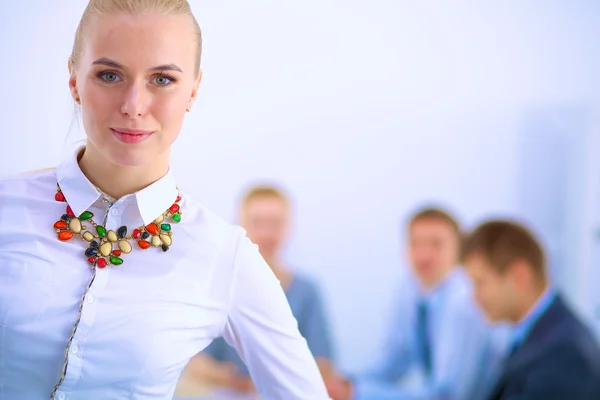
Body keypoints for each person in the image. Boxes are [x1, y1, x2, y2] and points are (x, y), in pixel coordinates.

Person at [0, 1, 331, 399]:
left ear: (193, 90)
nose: (134, 106)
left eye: (161, 80)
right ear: (73, 78)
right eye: (109, 75)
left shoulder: (224, 256)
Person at [327, 207, 502, 400]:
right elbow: (394, 361)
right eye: (415, 243)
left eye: (436, 244)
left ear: (459, 250)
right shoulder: (409, 289)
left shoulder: (466, 301)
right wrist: (347, 383)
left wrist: (358, 393)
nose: (424, 255)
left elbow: (448, 395)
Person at [184, 184, 336, 392]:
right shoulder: (218, 288)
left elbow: (324, 364)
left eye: (275, 223)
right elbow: (195, 362)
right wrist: (227, 378)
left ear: (288, 227)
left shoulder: (307, 292)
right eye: (258, 223)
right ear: (240, 226)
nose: (267, 233)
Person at [462, 219, 600, 400]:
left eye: (480, 283)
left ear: (519, 275)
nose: (474, 297)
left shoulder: (563, 354)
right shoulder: (541, 336)